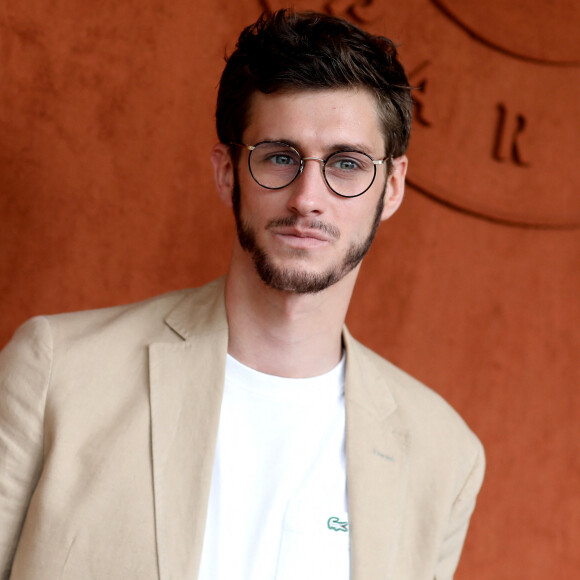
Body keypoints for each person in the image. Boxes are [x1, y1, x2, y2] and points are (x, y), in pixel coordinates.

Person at [0, 9, 485, 580]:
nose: (308, 198)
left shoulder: (444, 455)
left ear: (393, 185)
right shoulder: (58, 371)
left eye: (347, 164)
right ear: (228, 171)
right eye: (280, 156)